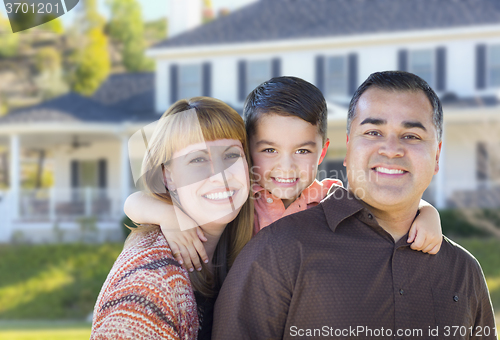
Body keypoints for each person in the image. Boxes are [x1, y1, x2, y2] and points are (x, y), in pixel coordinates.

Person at [212, 71, 497, 339]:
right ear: (348, 148)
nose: (391, 149)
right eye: (373, 132)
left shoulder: (464, 271)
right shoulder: (272, 245)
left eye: (411, 136)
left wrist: (427, 210)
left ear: (436, 156)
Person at [124, 76, 443, 274]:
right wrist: (168, 216)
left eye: (302, 151)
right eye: (269, 150)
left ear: (322, 151)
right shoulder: (240, 200)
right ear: (248, 150)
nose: (286, 167)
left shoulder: (331, 197)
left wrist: (428, 214)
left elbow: (387, 209)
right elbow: (135, 202)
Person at [90, 97, 254, 340]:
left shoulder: (248, 244)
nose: (221, 175)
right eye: (198, 159)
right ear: (168, 176)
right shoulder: (147, 286)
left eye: (231, 155)